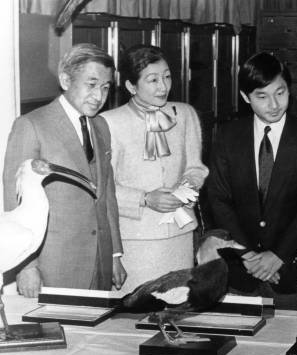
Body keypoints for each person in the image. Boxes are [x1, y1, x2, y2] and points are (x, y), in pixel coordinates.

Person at [207, 52, 297, 308]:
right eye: (262, 96)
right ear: (245, 97)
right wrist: (249, 257)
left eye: (280, 93)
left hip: (290, 271)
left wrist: (277, 256)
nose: (273, 104)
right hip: (240, 271)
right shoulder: (227, 137)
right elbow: (219, 200)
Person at [3, 43, 126, 296]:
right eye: (91, 85)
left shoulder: (101, 126)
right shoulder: (31, 125)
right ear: (65, 79)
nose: (99, 96)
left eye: (105, 88)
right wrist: (27, 267)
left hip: (100, 260)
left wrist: (114, 253)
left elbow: (106, 196)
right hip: (55, 265)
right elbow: (13, 200)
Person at [100, 45, 208, 294]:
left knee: (177, 306)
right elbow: (103, 187)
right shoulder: (109, 123)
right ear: (131, 86)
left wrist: (184, 191)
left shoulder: (185, 114)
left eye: (167, 77)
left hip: (180, 235)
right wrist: (146, 198)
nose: (163, 87)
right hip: (136, 239)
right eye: (153, 80)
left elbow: (196, 168)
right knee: (135, 312)